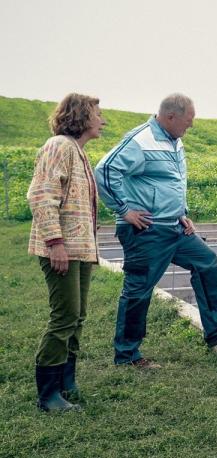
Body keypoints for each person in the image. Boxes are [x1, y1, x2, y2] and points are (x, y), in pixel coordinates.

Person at [94, 94, 217, 369]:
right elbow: (105, 170)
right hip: (147, 230)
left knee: (206, 262)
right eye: (188, 122)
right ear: (170, 117)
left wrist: (182, 214)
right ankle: (127, 354)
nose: (190, 126)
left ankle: (216, 328)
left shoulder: (175, 141)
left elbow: (172, 182)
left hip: (174, 227)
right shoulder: (141, 140)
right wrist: (124, 210)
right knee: (139, 288)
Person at [27, 93, 106, 411]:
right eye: (98, 114)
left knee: (77, 317)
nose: (103, 120)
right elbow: (40, 195)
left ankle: (65, 382)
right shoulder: (59, 145)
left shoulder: (78, 151)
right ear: (82, 115)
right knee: (64, 318)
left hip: (80, 250)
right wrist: (55, 244)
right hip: (62, 249)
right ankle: (48, 395)